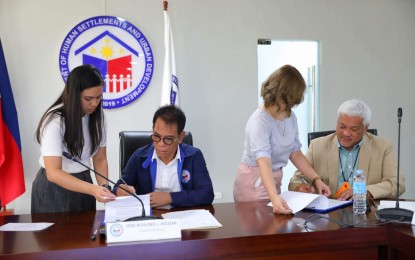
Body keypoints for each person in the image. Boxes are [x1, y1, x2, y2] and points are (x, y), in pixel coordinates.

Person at [233, 65, 331, 214]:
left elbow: (295, 152)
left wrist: (316, 179)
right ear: (276, 93)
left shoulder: (290, 116)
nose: (287, 106)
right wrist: (275, 198)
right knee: (260, 230)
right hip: (254, 182)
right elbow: (264, 161)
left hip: (273, 180)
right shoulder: (259, 122)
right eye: (286, 101)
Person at [31, 64, 116, 213]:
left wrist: (104, 188)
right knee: (54, 236)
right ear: (73, 95)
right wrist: (93, 190)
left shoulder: (99, 118)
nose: (94, 103)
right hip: (54, 188)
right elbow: (54, 172)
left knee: (86, 234)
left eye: (98, 98)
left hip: (85, 183)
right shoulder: (55, 121)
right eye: (88, 98)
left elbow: (100, 159)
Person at [288, 99, 405, 200]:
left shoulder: (383, 146)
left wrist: (365, 191)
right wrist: (300, 187)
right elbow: (297, 180)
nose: (346, 133)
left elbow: (397, 183)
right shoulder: (317, 145)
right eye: (342, 126)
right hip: (328, 215)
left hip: (365, 212)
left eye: (354, 129)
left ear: (365, 128)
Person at [114, 105, 214, 208]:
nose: (161, 144)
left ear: (180, 137)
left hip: (183, 214)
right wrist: (119, 190)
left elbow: (207, 194)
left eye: (168, 139)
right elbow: (119, 186)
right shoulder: (139, 156)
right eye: (156, 136)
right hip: (150, 216)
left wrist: (170, 198)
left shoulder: (194, 156)